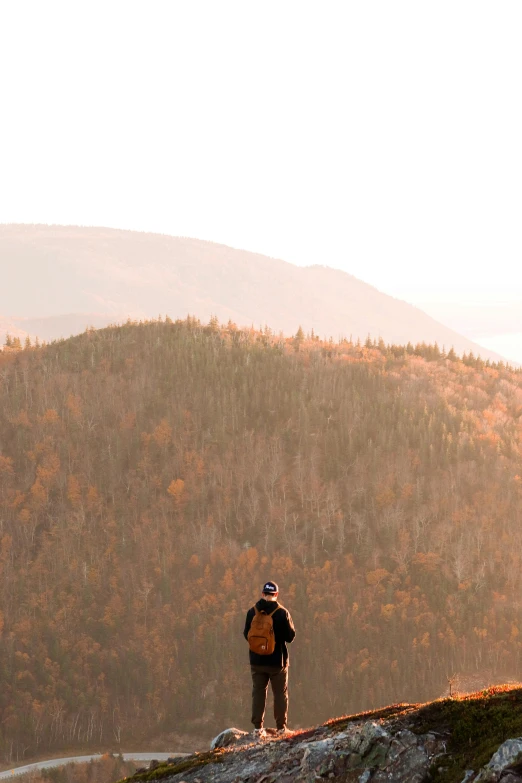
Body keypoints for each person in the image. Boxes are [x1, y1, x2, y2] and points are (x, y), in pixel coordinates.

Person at [243, 580, 296, 737]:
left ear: (262, 594)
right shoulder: (282, 612)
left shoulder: (252, 612)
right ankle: (281, 728)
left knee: (258, 692)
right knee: (280, 693)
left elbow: (247, 634)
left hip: (256, 661)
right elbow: (290, 637)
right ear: (276, 594)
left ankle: (258, 728)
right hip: (277, 662)